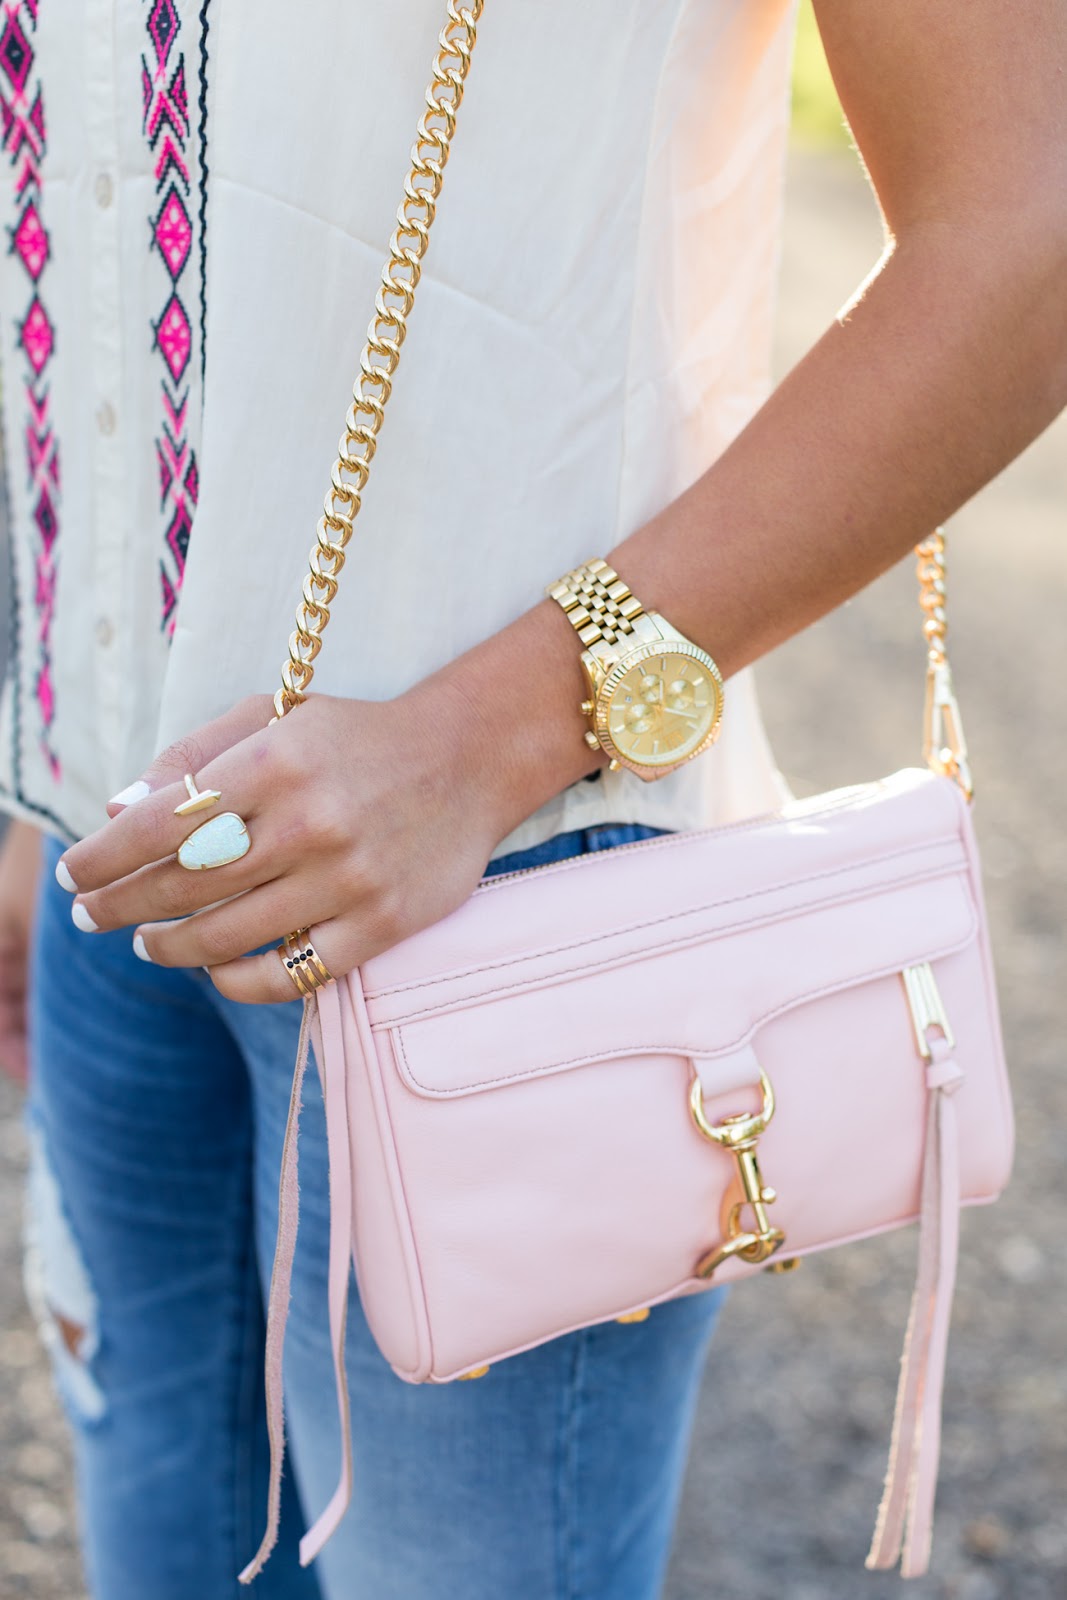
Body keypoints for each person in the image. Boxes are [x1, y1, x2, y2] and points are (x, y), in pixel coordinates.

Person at [1, 2, 1065, 1596]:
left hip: (504, 896)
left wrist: (493, 734)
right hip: (113, 854)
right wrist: (44, 759)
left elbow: (1023, 232)